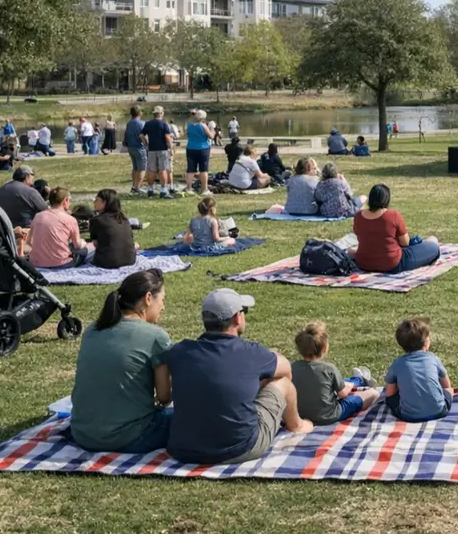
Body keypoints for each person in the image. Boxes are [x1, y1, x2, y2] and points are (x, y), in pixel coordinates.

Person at [166, 289, 313, 465]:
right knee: (282, 382)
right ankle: (296, 425)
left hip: (184, 449)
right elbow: (286, 370)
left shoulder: (180, 351)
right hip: (240, 448)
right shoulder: (252, 353)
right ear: (237, 317)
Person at [69, 269, 172, 452]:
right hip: (129, 437)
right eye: (162, 300)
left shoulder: (93, 329)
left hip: (83, 433)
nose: (163, 307)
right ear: (149, 298)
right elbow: (164, 396)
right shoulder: (156, 337)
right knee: (196, 419)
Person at [291, 322, 380, 426]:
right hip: (329, 416)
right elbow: (342, 394)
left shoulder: (293, 367)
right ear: (324, 348)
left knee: (340, 383)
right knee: (373, 394)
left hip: (301, 416)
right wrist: (350, 386)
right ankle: (359, 380)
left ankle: (358, 379)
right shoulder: (328, 369)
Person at [350, 183, 439, 272]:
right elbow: (405, 243)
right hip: (392, 263)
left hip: (364, 263)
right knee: (433, 243)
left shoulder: (358, 216)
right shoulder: (393, 216)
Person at [385, 317, 453, 423]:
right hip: (439, 411)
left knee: (391, 400)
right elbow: (446, 385)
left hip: (408, 416)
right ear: (426, 342)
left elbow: (390, 393)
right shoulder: (433, 359)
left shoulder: (398, 363)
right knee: (449, 391)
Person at [26, 187, 89, 269]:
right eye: (69, 200)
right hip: (61, 263)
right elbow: (77, 245)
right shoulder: (70, 220)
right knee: (84, 251)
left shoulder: (38, 216)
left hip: (37, 263)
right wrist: (83, 243)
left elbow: (29, 241)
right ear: (65, 200)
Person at [88, 188, 136, 269]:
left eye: (97, 199)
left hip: (107, 262)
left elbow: (94, 242)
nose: (94, 201)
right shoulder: (124, 219)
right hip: (130, 260)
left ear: (105, 202)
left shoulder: (97, 220)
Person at [0, 165, 47, 230]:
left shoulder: (1, 189)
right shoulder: (30, 191)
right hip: (25, 231)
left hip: (5, 230)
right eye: (32, 175)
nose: (33, 177)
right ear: (27, 176)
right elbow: (46, 211)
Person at [142, 106, 175, 199]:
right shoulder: (163, 124)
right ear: (161, 113)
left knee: (151, 170)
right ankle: (163, 190)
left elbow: (141, 135)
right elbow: (167, 137)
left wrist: (146, 143)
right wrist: (171, 148)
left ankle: (150, 189)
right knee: (163, 169)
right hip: (162, 149)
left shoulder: (148, 123)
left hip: (152, 149)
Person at [184, 110, 212, 196]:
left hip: (191, 148)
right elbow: (211, 136)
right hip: (203, 148)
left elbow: (187, 133)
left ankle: (189, 188)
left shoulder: (189, 126)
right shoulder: (203, 126)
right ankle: (204, 189)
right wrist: (212, 129)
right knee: (203, 169)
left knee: (190, 169)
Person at [123, 106, 147, 195]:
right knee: (141, 169)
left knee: (135, 168)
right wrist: (147, 145)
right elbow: (144, 137)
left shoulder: (129, 123)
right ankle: (137, 188)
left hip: (131, 147)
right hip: (139, 148)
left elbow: (126, 134)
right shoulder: (141, 124)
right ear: (139, 113)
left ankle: (134, 186)